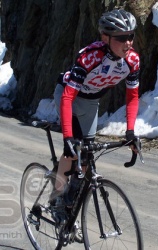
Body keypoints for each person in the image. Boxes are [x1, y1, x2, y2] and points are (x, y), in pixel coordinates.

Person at [52, 9, 140, 224]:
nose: (127, 42)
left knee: (86, 156)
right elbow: (66, 98)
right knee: (73, 151)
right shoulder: (90, 58)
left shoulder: (132, 61)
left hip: (91, 102)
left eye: (131, 36)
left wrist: (130, 131)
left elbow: (133, 97)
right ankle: (56, 200)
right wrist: (67, 138)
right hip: (69, 98)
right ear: (105, 38)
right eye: (121, 38)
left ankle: (71, 199)